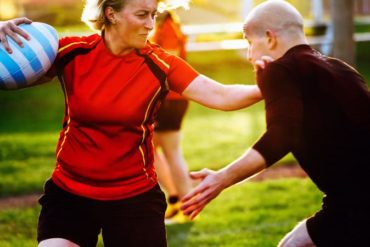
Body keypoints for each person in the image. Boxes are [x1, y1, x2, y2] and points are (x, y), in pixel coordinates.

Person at [0, 0, 264, 246]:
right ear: (111, 14)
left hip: (134, 201)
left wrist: (271, 83)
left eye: (153, 15)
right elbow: (13, 73)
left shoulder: (161, 64)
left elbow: (221, 95)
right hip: (69, 195)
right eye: (142, 14)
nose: (150, 24)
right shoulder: (72, 52)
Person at [181, 1, 370, 246]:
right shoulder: (340, 68)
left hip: (357, 205)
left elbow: (282, 135)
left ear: (270, 38)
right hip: (350, 200)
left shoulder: (281, 71)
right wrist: (268, 84)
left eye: (250, 42)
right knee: (293, 242)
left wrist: (222, 178)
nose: (249, 54)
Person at [150, 10, 191, 221]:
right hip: (170, 100)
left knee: (165, 151)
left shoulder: (167, 28)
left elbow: (168, 63)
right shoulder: (167, 26)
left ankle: (181, 201)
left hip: (170, 100)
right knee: (152, 149)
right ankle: (179, 199)